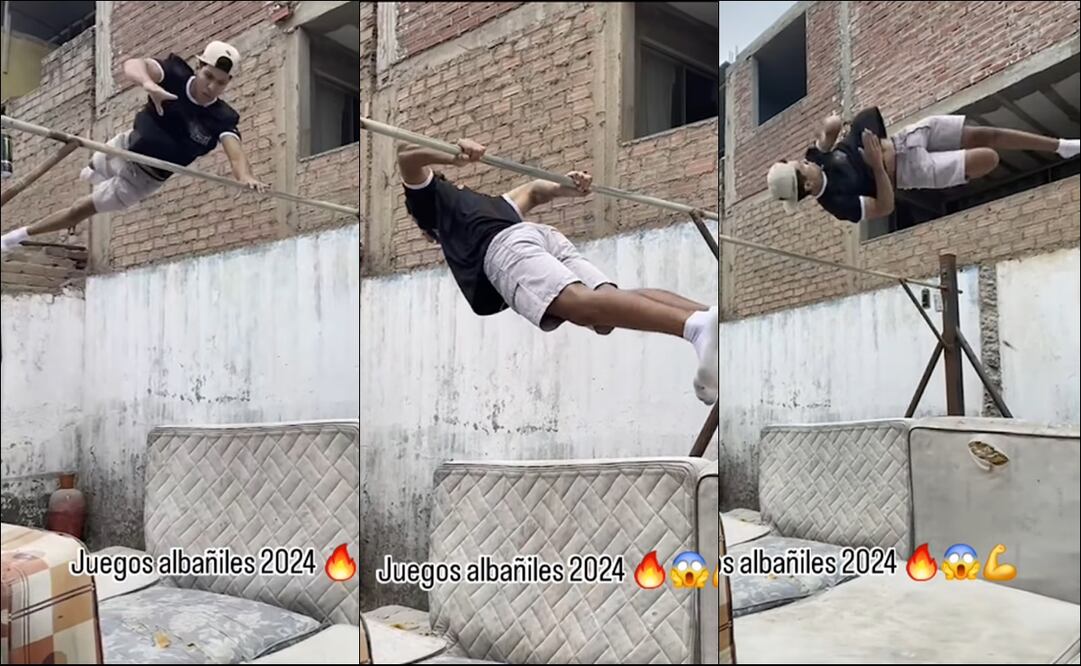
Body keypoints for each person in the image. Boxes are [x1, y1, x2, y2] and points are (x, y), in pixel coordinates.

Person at [396, 137, 719, 405]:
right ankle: (710, 318)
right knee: (605, 307)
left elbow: (407, 155)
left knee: (578, 306)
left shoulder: (433, 207)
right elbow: (537, 190)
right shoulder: (493, 202)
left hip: (505, 248)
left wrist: (455, 155)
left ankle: (695, 326)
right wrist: (570, 186)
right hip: (540, 238)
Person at [1, 41, 267, 254]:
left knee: (78, 212)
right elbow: (133, 64)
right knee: (94, 169)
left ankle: (15, 237)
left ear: (228, 82)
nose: (211, 87)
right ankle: (97, 170)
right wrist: (148, 83)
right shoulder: (174, 73)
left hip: (144, 180)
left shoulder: (222, 117)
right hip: (124, 147)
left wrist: (245, 177)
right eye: (208, 76)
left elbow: (236, 155)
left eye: (221, 82)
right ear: (198, 65)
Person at [766, 106, 1080, 223]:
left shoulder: (814, 158)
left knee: (988, 132)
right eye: (797, 167)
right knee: (989, 158)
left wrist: (831, 126)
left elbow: (829, 131)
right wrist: (876, 166)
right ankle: (1060, 149)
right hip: (913, 171)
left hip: (905, 139)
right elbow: (886, 207)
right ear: (806, 185)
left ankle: (1062, 147)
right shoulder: (839, 204)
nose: (800, 161)